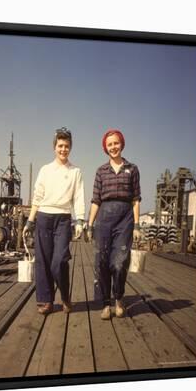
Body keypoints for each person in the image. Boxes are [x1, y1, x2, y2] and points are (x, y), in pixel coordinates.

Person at [23, 128, 85, 315]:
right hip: (43, 216)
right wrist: (30, 222)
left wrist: (80, 220)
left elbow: (79, 197)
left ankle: (65, 296)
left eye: (66, 146)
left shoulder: (76, 172)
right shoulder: (45, 170)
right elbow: (37, 197)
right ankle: (46, 300)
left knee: (59, 260)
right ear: (54, 147)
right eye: (60, 146)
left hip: (64, 219)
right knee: (43, 260)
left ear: (70, 148)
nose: (63, 149)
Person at [87, 129, 141, 320]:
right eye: (109, 144)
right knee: (102, 261)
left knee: (119, 262)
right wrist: (89, 224)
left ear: (122, 144)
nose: (113, 147)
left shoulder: (132, 169)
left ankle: (119, 298)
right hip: (104, 218)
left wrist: (136, 226)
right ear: (105, 147)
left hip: (125, 219)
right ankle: (105, 304)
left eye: (116, 143)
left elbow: (135, 199)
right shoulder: (101, 171)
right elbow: (95, 200)